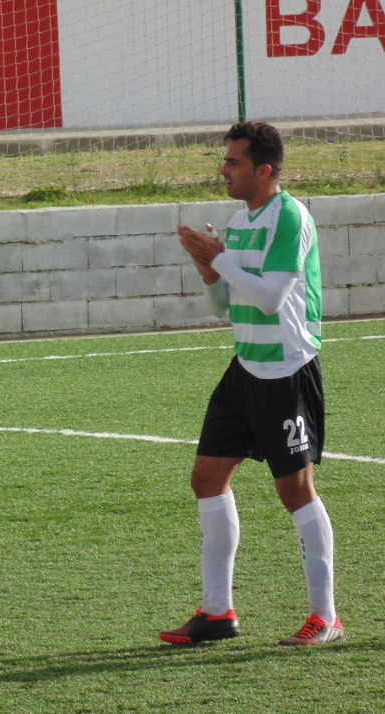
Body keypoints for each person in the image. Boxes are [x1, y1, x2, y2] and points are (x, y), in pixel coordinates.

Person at [161, 121, 340, 646]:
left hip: (287, 372)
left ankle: (326, 617)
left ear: (263, 170)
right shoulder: (239, 222)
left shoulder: (291, 217)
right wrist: (209, 270)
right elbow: (227, 305)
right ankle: (218, 613)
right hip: (245, 368)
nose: (224, 169)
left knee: (295, 490)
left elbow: (269, 298)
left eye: (233, 161)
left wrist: (217, 258)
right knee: (206, 479)